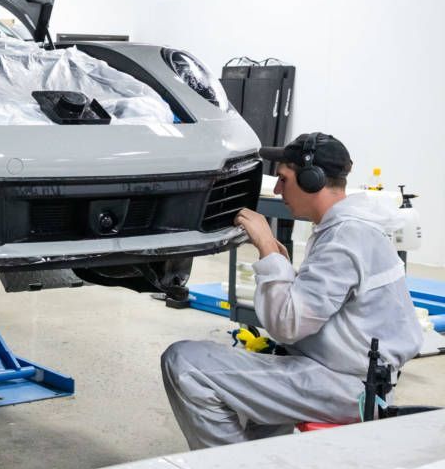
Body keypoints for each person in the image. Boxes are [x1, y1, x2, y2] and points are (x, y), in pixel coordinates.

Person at [161, 133, 422, 449]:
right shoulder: (352, 229)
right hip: (349, 376)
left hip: (345, 387)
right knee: (259, 373)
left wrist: (268, 248)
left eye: (284, 179)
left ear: (313, 180)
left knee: (184, 362)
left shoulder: (345, 237)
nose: (278, 189)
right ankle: (259, 466)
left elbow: (287, 325)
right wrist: (284, 272)